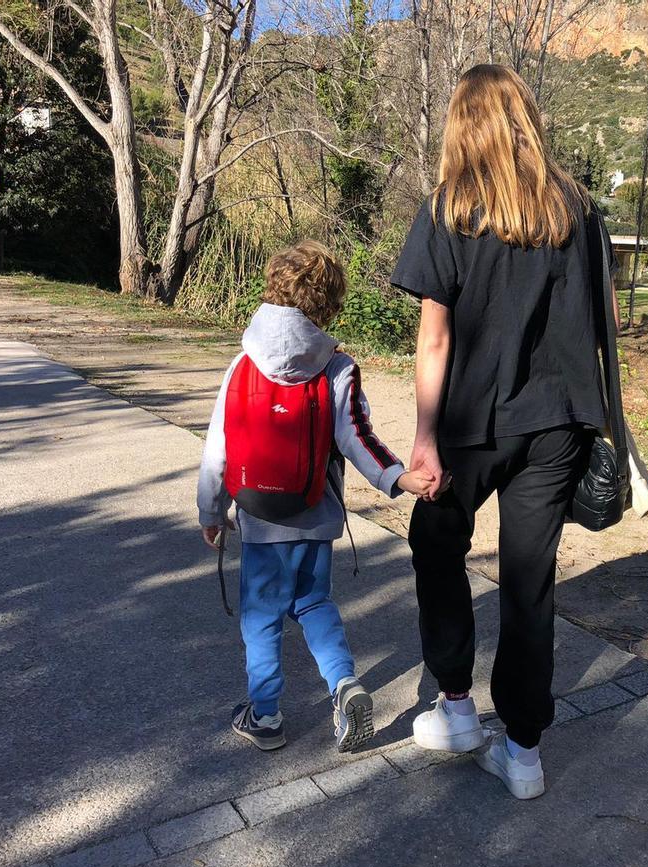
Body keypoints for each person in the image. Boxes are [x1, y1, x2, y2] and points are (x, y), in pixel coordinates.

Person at [390, 64, 616, 800]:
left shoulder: (449, 208)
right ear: (525, 118)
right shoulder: (577, 207)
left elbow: (434, 341)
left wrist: (423, 438)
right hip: (557, 425)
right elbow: (605, 324)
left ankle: (456, 708)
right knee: (528, 583)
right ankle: (523, 754)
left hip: (470, 422)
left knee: (435, 546)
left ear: (464, 124)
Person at [197, 240, 434, 753]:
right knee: (313, 603)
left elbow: (218, 447)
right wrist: (397, 477)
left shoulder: (242, 364)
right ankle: (345, 685)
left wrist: (210, 511)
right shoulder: (337, 367)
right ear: (329, 303)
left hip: (258, 519)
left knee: (260, 619)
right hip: (314, 512)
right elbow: (356, 436)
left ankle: (265, 716)